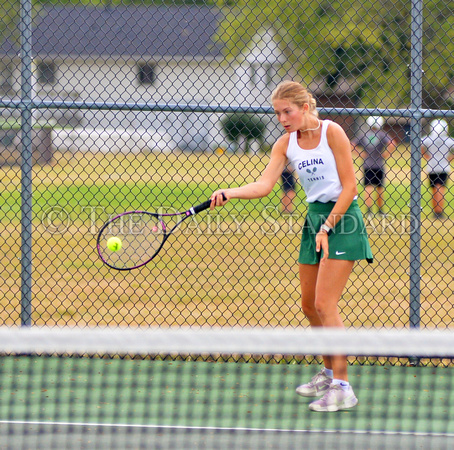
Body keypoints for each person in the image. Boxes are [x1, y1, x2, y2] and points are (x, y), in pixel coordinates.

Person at [210, 80, 373, 412]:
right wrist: (230, 191)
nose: (282, 119)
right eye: (278, 113)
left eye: (288, 112)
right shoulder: (285, 144)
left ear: (305, 107)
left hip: (343, 218)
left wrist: (328, 227)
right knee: (309, 306)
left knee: (326, 304)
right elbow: (265, 184)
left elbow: (350, 186)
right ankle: (328, 373)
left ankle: (343, 387)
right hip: (314, 219)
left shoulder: (333, 133)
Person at [352, 116, 396, 217]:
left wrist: (360, 153)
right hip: (379, 164)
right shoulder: (382, 134)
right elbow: (392, 143)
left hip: (367, 164)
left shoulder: (364, 134)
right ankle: (380, 210)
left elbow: (352, 144)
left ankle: (369, 211)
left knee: (368, 186)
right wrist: (386, 154)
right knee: (379, 187)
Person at [421, 119, 454, 220]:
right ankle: (440, 211)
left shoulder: (428, 139)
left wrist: (425, 155)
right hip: (444, 167)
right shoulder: (449, 140)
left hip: (432, 167)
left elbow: (420, 144)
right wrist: (450, 158)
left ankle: (436, 211)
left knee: (434, 189)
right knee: (441, 188)